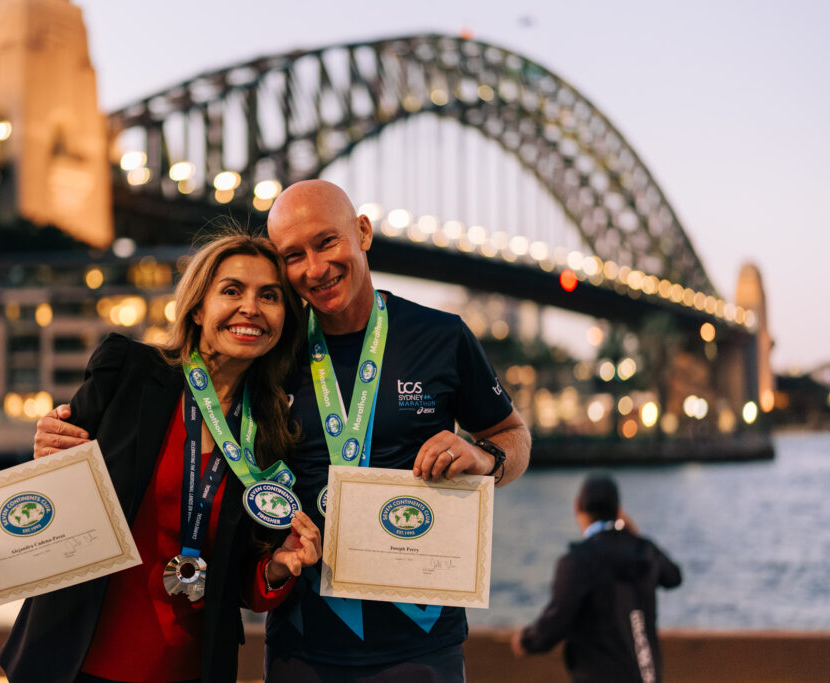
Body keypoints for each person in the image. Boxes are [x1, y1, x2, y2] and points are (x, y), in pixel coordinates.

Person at [37, 179, 532, 681]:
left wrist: (485, 457)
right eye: (293, 255)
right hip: (302, 638)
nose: (315, 269)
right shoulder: (270, 352)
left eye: (326, 242)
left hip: (422, 637)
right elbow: (197, 422)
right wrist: (57, 441)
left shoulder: (442, 337)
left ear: (362, 231)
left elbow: (514, 435)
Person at [0, 231, 323, 683]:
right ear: (197, 307)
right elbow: (44, 491)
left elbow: (241, 581)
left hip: (190, 670)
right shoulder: (130, 374)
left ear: (283, 319)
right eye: (231, 290)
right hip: (73, 662)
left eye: (269, 296)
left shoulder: (273, 434)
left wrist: (278, 567)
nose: (250, 308)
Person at [510, 474, 682, 682]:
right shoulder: (644, 551)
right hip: (646, 676)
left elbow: (556, 620)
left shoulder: (578, 561)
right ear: (619, 510)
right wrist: (634, 535)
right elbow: (673, 576)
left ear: (577, 508)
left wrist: (526, 641)